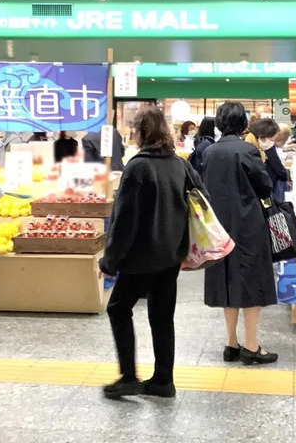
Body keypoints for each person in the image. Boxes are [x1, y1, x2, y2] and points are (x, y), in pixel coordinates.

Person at [100, 106, 203, 400]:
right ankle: (163, 380)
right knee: (162, 315)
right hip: (171, 254)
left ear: (142, 133)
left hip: (141, 256)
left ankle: (129, 377)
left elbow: (125, 220)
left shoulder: (138, 167)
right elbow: (201, 199)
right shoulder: (180, 164)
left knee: (118, 308)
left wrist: (110, 260)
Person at [203, 102, 277, 365]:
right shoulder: (247, 150)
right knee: (252, 281)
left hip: (218, 226)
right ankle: (251, 346)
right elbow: (265, 186)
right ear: (243, 123)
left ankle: (231, 343)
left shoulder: (210, 152)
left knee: (226, 281)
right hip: (248, 225)